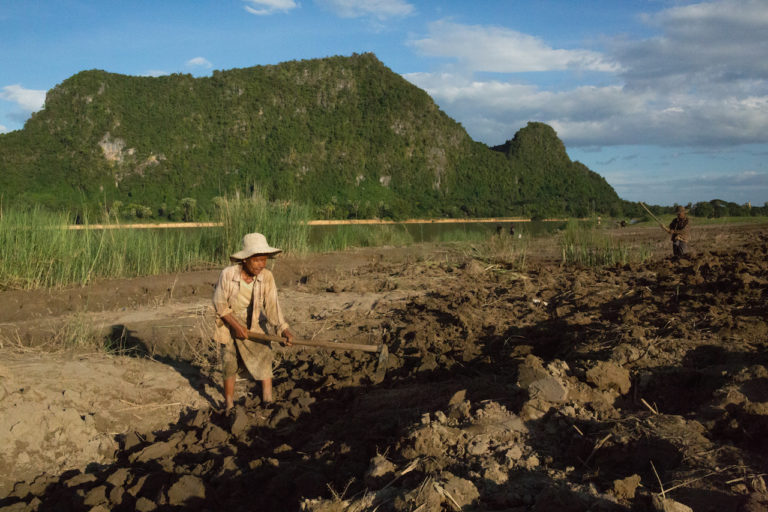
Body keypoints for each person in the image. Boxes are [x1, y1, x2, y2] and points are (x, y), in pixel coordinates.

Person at [212, 232, 294, 413]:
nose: (261, 265)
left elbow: (273, 306)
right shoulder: (227, 274)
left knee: (264, 356)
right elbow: (219, 304)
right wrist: (236, 326)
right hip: (229, 322)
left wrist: (283, 329)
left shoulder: (267, 277)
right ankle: (229, 405)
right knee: (229, 362)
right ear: (245, 260)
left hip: (255, 322)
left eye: (264, 260)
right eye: (256, 260)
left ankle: (267, 399)